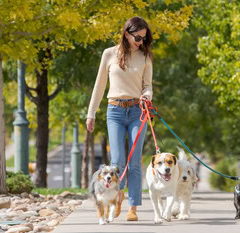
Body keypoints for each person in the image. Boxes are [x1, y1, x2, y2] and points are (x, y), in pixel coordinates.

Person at [86, 16, 153, 221]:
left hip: (137, 111)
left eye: (144, 38)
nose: (140, 42)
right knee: (117, 161)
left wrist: (147, 96)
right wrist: (91, 113)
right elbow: (99, 86)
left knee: (134, 162)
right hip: (114, 111)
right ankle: (117, 196)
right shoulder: (109, 54)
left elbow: (147, 85)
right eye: (137, 37)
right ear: (126, 34)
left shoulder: (145, 57)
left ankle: (133, 208)